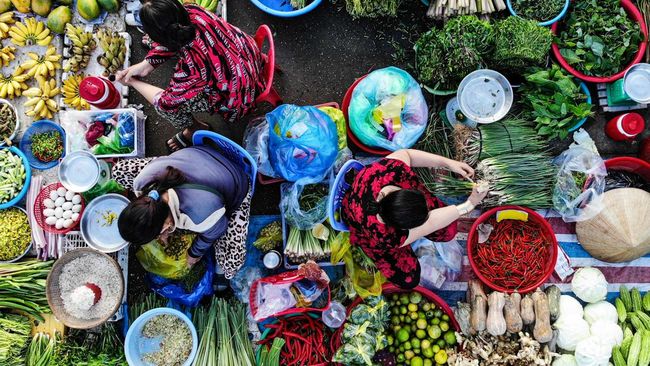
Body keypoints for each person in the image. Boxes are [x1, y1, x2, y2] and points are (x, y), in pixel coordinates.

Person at [115, 0, 265, 151]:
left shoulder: (190, 68)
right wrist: (144, 65)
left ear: (162, 38)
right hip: (246, 52)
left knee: (165, 110)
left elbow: (165, 101)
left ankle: (195, 127)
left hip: (239, 92)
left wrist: (134, 83)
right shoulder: (192, 10)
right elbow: (175, 41)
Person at [342, 149, 488, 289]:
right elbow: (431, 222)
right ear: (402, 228)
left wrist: (448, 163)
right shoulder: (386, 236)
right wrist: (470, 204)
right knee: (409, 278)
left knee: (448, 230)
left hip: (373, 197)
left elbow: (408, 155)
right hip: (363, 227)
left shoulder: (389, 171)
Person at [116, 144, 251, 279]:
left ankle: (226, 268)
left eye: (157, 235)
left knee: (230, 265)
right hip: (198, 155)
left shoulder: (200, 215)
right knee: (119, 171)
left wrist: (194, 254)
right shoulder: (141, 182)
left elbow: (218, 229)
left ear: (166, 225)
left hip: (237, 182)